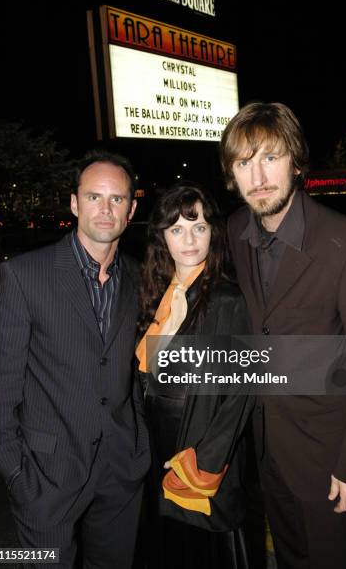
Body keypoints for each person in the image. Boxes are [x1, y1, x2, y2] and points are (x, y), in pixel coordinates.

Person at [219, 102, 346, 569]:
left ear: (296, 162)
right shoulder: (235, 231)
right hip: (267, 446)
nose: (257, 176)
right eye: (243, 163)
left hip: (329, 454)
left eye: (269, 158)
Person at [0, 150, 150, 568]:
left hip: (120, 472)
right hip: (45, 474)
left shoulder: (138, 276)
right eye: (94, 197)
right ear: (75, 203)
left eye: (117, 199)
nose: (105, 209)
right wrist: (16, 472)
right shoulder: (23, 276)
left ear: (131, 209)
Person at [136, 183, 253, 569]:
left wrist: (202, 460)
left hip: (196, 442)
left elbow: (241, 392)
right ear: (162, 237)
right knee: (165, 544)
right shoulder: (157, 294)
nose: (189, 239)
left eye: (199, 227)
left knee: (200, 548)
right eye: (177, 229)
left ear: (213, 234)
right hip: (155, 442)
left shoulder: (227, 299)